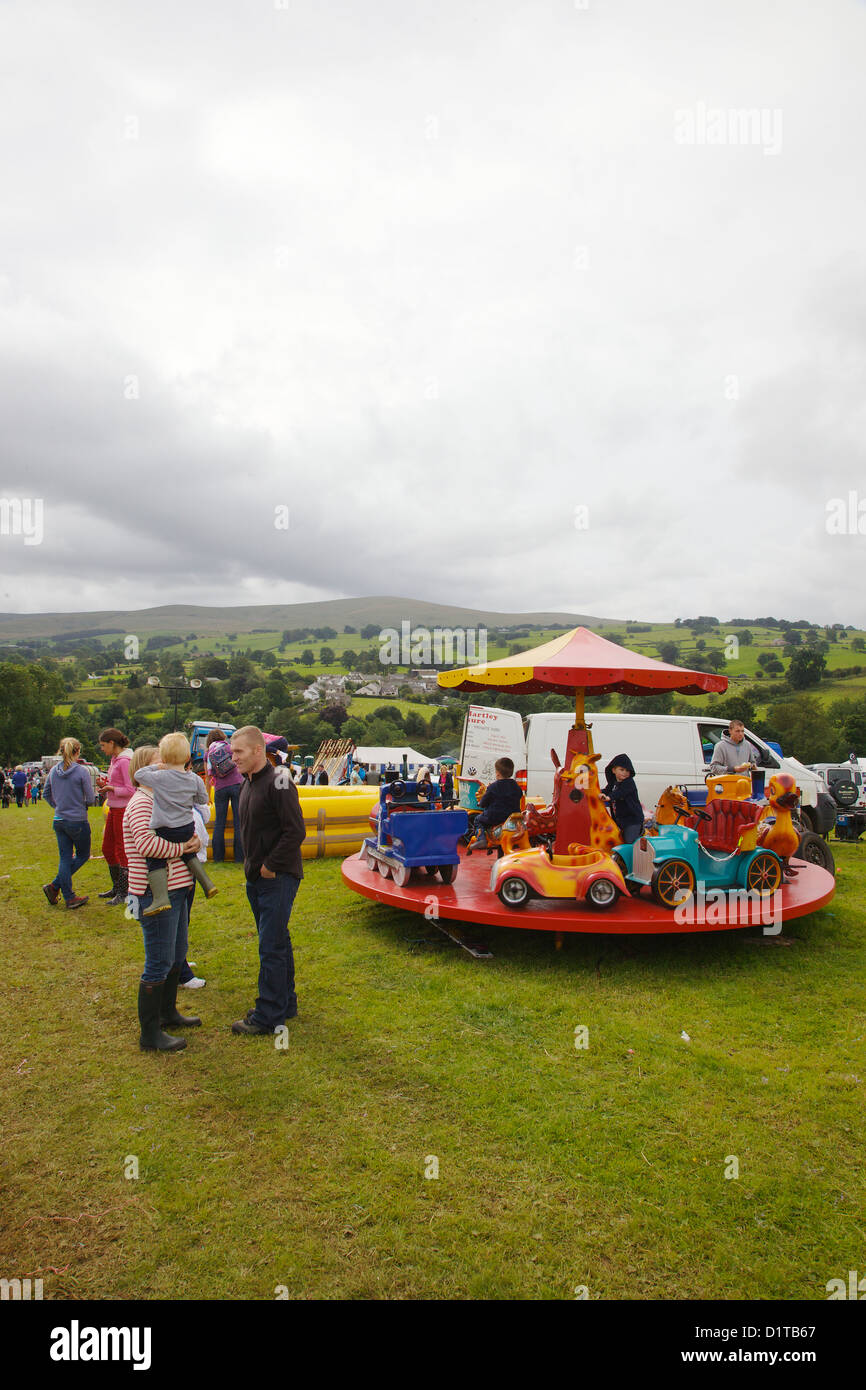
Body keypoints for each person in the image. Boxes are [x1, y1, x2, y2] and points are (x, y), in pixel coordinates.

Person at [124, 745, 202, 1052]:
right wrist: (184, 848)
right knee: (158, 961)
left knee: (176, 953)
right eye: (162, 764)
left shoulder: (159, 799)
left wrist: (190, 841)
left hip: (178, 889)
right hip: (157, 892)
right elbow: (146, 844)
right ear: (148, 770)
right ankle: (150, 1033)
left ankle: (168, 1013)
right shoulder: (142, 803)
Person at [230, 725, 306, 1036]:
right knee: (277, 939)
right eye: (232, 752)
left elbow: (295, 831)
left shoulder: (280, 781)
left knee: (270, 944)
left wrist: (271, 865)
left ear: (259, 751)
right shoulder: (248, 782)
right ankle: (284, 1002)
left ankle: (268, 1015)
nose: (233, 758)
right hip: (257, 876)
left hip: (277, 876)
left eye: (239, 752)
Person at [133, 732, 217, 916]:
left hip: (166, 828)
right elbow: (203, 799)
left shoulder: (160, 777)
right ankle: (207, 883)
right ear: (188, 757)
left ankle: (160, 898)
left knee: (156, 861)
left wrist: (158, 768)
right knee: (189, 855)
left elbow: (139, 774)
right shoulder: (194, 778)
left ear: (163, 758)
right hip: (187, 826)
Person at [42, 738, 95, 909]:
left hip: (59, 820)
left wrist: (57, 805)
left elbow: (46, 794)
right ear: (77, 751)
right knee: (82, 855)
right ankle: (61, 891)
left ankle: (58, 889)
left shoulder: (53, 771)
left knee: (65, 858)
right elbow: (91, 798)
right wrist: (82, 805)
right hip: (77, 820)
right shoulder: (81, 771)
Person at [97, 728, 135, 906]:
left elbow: (130, 789)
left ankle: (124, 891)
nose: (102, 749)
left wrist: (111, 789)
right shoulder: (115, 760)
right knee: (107, 848)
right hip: (114, 808)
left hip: (122, 810)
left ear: (112, 743)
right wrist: (107, 784)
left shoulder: (125, 761)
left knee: (121, 849)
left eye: (103, 745)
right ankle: (117, 886)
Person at [178, 800, 210, 991]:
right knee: (177, 923)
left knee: (183, 920)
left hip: (189, 865)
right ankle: (180, 971)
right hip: (181, 868)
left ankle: (180, 962)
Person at [463, 757, 523, 849]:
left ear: (498, 774)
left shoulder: (493, 787)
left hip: (495, 817)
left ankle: (481, 839)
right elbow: (519, 795)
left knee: (478, 820)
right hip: (512, 817)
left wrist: (481, 803)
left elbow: (483, 802)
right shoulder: (515, 786)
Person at [205, 727, 244, 864]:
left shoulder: (208, 752)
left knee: (219, 823)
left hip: (220, 788)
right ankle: (239, 857)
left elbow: (208, 776)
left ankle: (218, 857)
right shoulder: (229, 747)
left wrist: (207, 795)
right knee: (239, 822)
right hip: (237, 784)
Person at [601, 754, 644, 844]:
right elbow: (607, 790)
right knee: (616, 838)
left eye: (627, 770)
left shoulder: (629, 783)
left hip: (632, 820)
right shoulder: (613, 783)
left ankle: (634, 855)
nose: (625, 772)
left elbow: (620, 792)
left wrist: (609, 797)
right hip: (619, 819)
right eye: (622, 770)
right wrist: (599, 793)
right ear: (613, 770)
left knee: (629, 841)